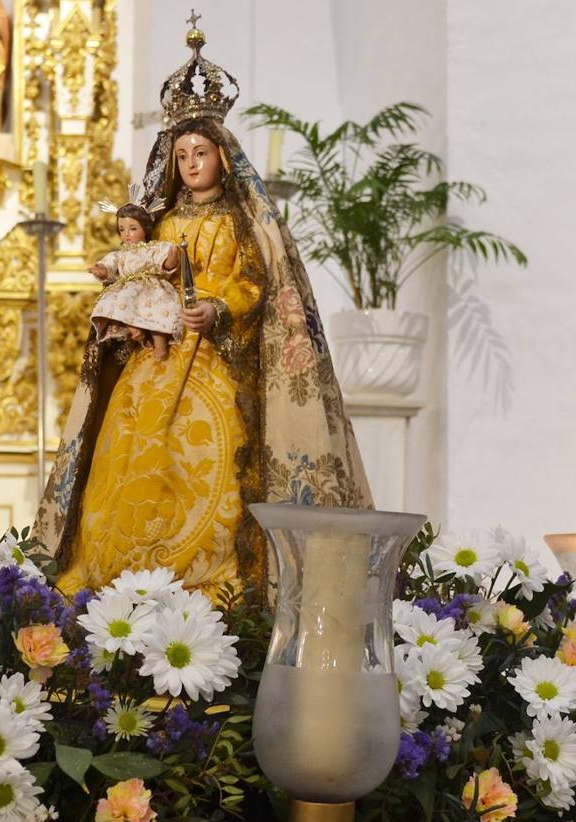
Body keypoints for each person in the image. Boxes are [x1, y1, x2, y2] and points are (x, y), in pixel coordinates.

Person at [36, 16, 371, 595]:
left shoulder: (241, 222)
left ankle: (209, 586)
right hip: (155, 359)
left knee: (209, 463)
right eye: (183, 154)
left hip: (210, 359)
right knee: (128, 455)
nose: (191, 163)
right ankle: (120, 580)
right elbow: (142, 269)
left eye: (202, 152)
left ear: (222, 156)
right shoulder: (161, 221)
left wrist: (217, 308)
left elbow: (254, 283)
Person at [88, 189, 183, 361]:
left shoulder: (151, 248)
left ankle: (160, 342)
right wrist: (102, 269)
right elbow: (111, 264)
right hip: (129, 288)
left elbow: (162, 260)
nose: (127, 234)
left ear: (145, 229)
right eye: (122, 229)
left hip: (152, 287)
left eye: (133, 228)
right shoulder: (121, 253)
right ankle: (133, 328)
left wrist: (171, 260)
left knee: (158, 309)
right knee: (117, 300)